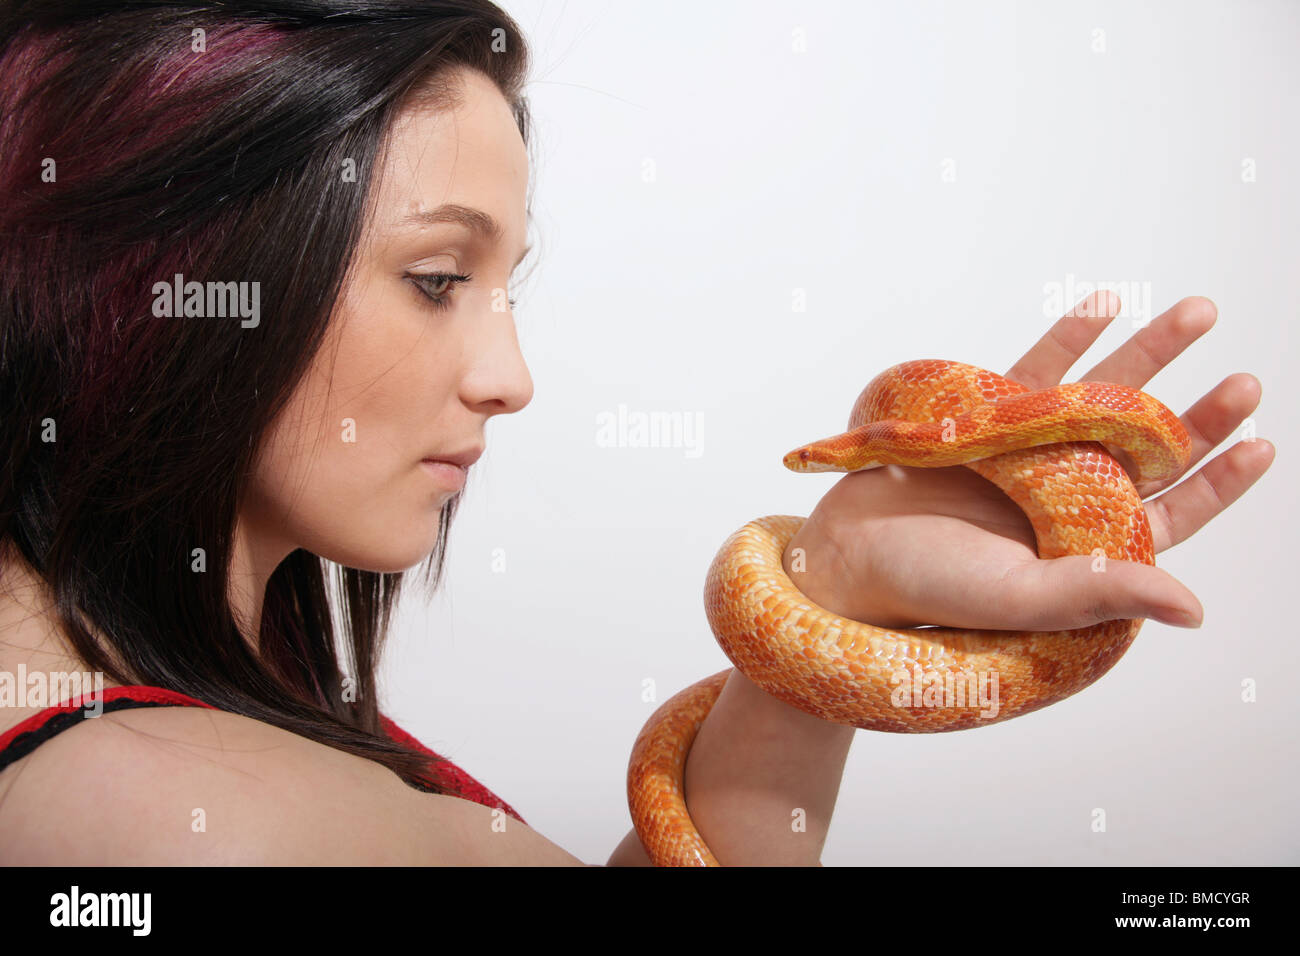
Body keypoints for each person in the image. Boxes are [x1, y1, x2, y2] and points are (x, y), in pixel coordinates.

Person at [0, 0, 1273, 865]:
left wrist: (822, 615)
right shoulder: (173, 813)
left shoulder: (148, 707)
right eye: (438, 279)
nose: (510, 376)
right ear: (172, 278)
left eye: (507, 289)